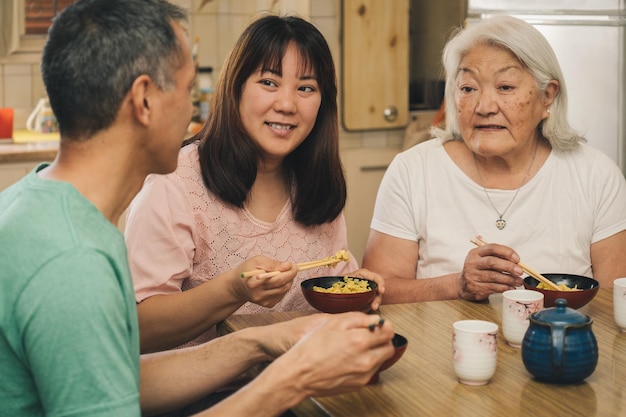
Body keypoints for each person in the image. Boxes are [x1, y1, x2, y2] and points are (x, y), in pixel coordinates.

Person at [0, 1, 396, 416]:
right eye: (189, 89)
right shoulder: (74, 260)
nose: (195, 110)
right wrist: (291, 378)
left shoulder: (46, 211)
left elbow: (120, 381)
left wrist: (259, 343)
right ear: (144, 101)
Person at [124, 14, 384, 353]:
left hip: (304, 384)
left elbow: (332, 284)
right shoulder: (175, 183)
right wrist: (232, 290)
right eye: (269, 83)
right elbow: (137, 329)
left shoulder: (316, 185)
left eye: (306, 88)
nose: (287, 105)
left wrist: (359, 292)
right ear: (236, 87)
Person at [363, 15, 626, 303]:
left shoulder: (595, 175)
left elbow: (617, 298)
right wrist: (458, 285)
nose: (484, 106)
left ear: (547, 96)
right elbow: (378, 291)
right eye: (468, 88)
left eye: (505, 87)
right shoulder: (413, 170)